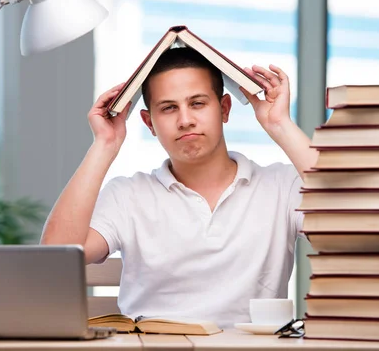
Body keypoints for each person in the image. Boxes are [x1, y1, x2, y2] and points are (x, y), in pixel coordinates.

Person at [41, 47, 318, 328]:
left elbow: (353, 227)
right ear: (150, 123)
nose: (185, 120)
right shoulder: (127, 194)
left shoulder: (283, 186)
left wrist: (280, 124)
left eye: (197, 103)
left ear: (224, 109)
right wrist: (105, 144)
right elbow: (55, 259)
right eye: (169, 108)